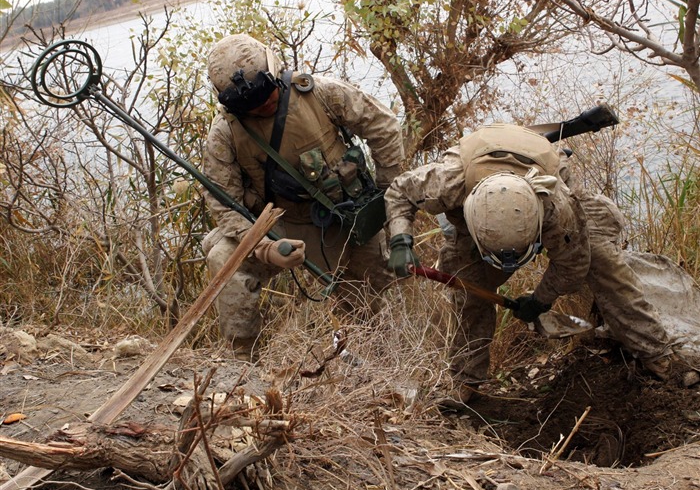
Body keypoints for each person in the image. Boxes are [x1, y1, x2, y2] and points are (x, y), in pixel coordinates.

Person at [384, 122, 685, 405]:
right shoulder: (447, 182)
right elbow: (399, 192)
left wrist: (540, 301)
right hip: (476, 213)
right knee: (470, 288)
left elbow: (573, 265)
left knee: (605, 265)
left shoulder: (558, 207)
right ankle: (466, 381)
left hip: (545, 186)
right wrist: (401, 240)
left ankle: (656, 354)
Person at [201, 34, 404, 359]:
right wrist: (265, 250)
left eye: (266, 94)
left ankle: (371, 366)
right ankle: (241, 363)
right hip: (281, 226)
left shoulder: (318, 92)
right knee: (223, 258)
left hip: (346, 218)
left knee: (372, 307)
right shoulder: (224, 134)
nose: (262, 105)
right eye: (248, 105)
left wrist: (390, 200)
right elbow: (225, 205)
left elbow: (384, 127)